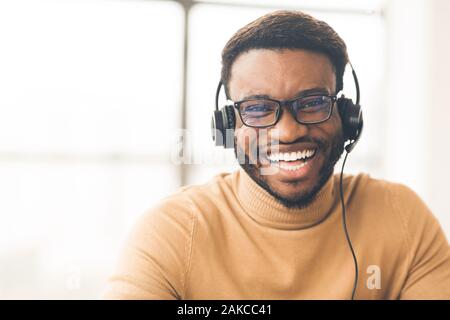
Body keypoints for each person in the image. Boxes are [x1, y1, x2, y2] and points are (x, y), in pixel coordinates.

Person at [103, 10, 450, 299]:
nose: (287, 132)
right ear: (227, 124)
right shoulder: (171, 233)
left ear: (346, 116)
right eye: (257, 108)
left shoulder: (402, 217)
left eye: (313, 103)